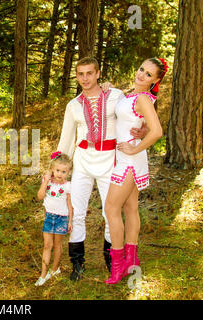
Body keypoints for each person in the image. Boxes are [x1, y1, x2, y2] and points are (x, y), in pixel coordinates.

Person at [56, 57, 146, 281]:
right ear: (76, 77)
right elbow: (66, 140)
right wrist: (56, 169)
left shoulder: (115, 96)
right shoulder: (73, 105)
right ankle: (77, 262)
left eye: (89, 73)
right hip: (83, 161)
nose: (85, 78)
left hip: (110, 161)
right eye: (80, 74)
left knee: (110, 212)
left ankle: (111, 259)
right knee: (76, 212)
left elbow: (131, 118)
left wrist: (142, 132)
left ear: (98, 73)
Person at [104, 58, 167, 284]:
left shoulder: (142, 98)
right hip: (127, 157)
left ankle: (118, 265)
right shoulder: (135, 95)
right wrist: (110, 88)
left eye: (148, 74)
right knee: (130, 208)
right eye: (141, 69)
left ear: (155, 80)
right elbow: (147, 125)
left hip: (129, 160)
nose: (141, 75)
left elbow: (157, 131)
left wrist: (135, 148)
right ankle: (131, 260)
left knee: (111, 208)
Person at [35, 151, 73, 286]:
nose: (59, 174)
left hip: (62, 218)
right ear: (52, 169)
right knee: (47, 245)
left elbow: (69, 205)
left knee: (57, 245)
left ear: (68, 173)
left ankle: (55, 269)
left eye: (63, 172)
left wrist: (70, 221)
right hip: (49, 217)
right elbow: (40, 196)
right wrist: (45, 182)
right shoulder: (48, 182)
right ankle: (43, 275)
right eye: (57, 170)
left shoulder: (67, 186)